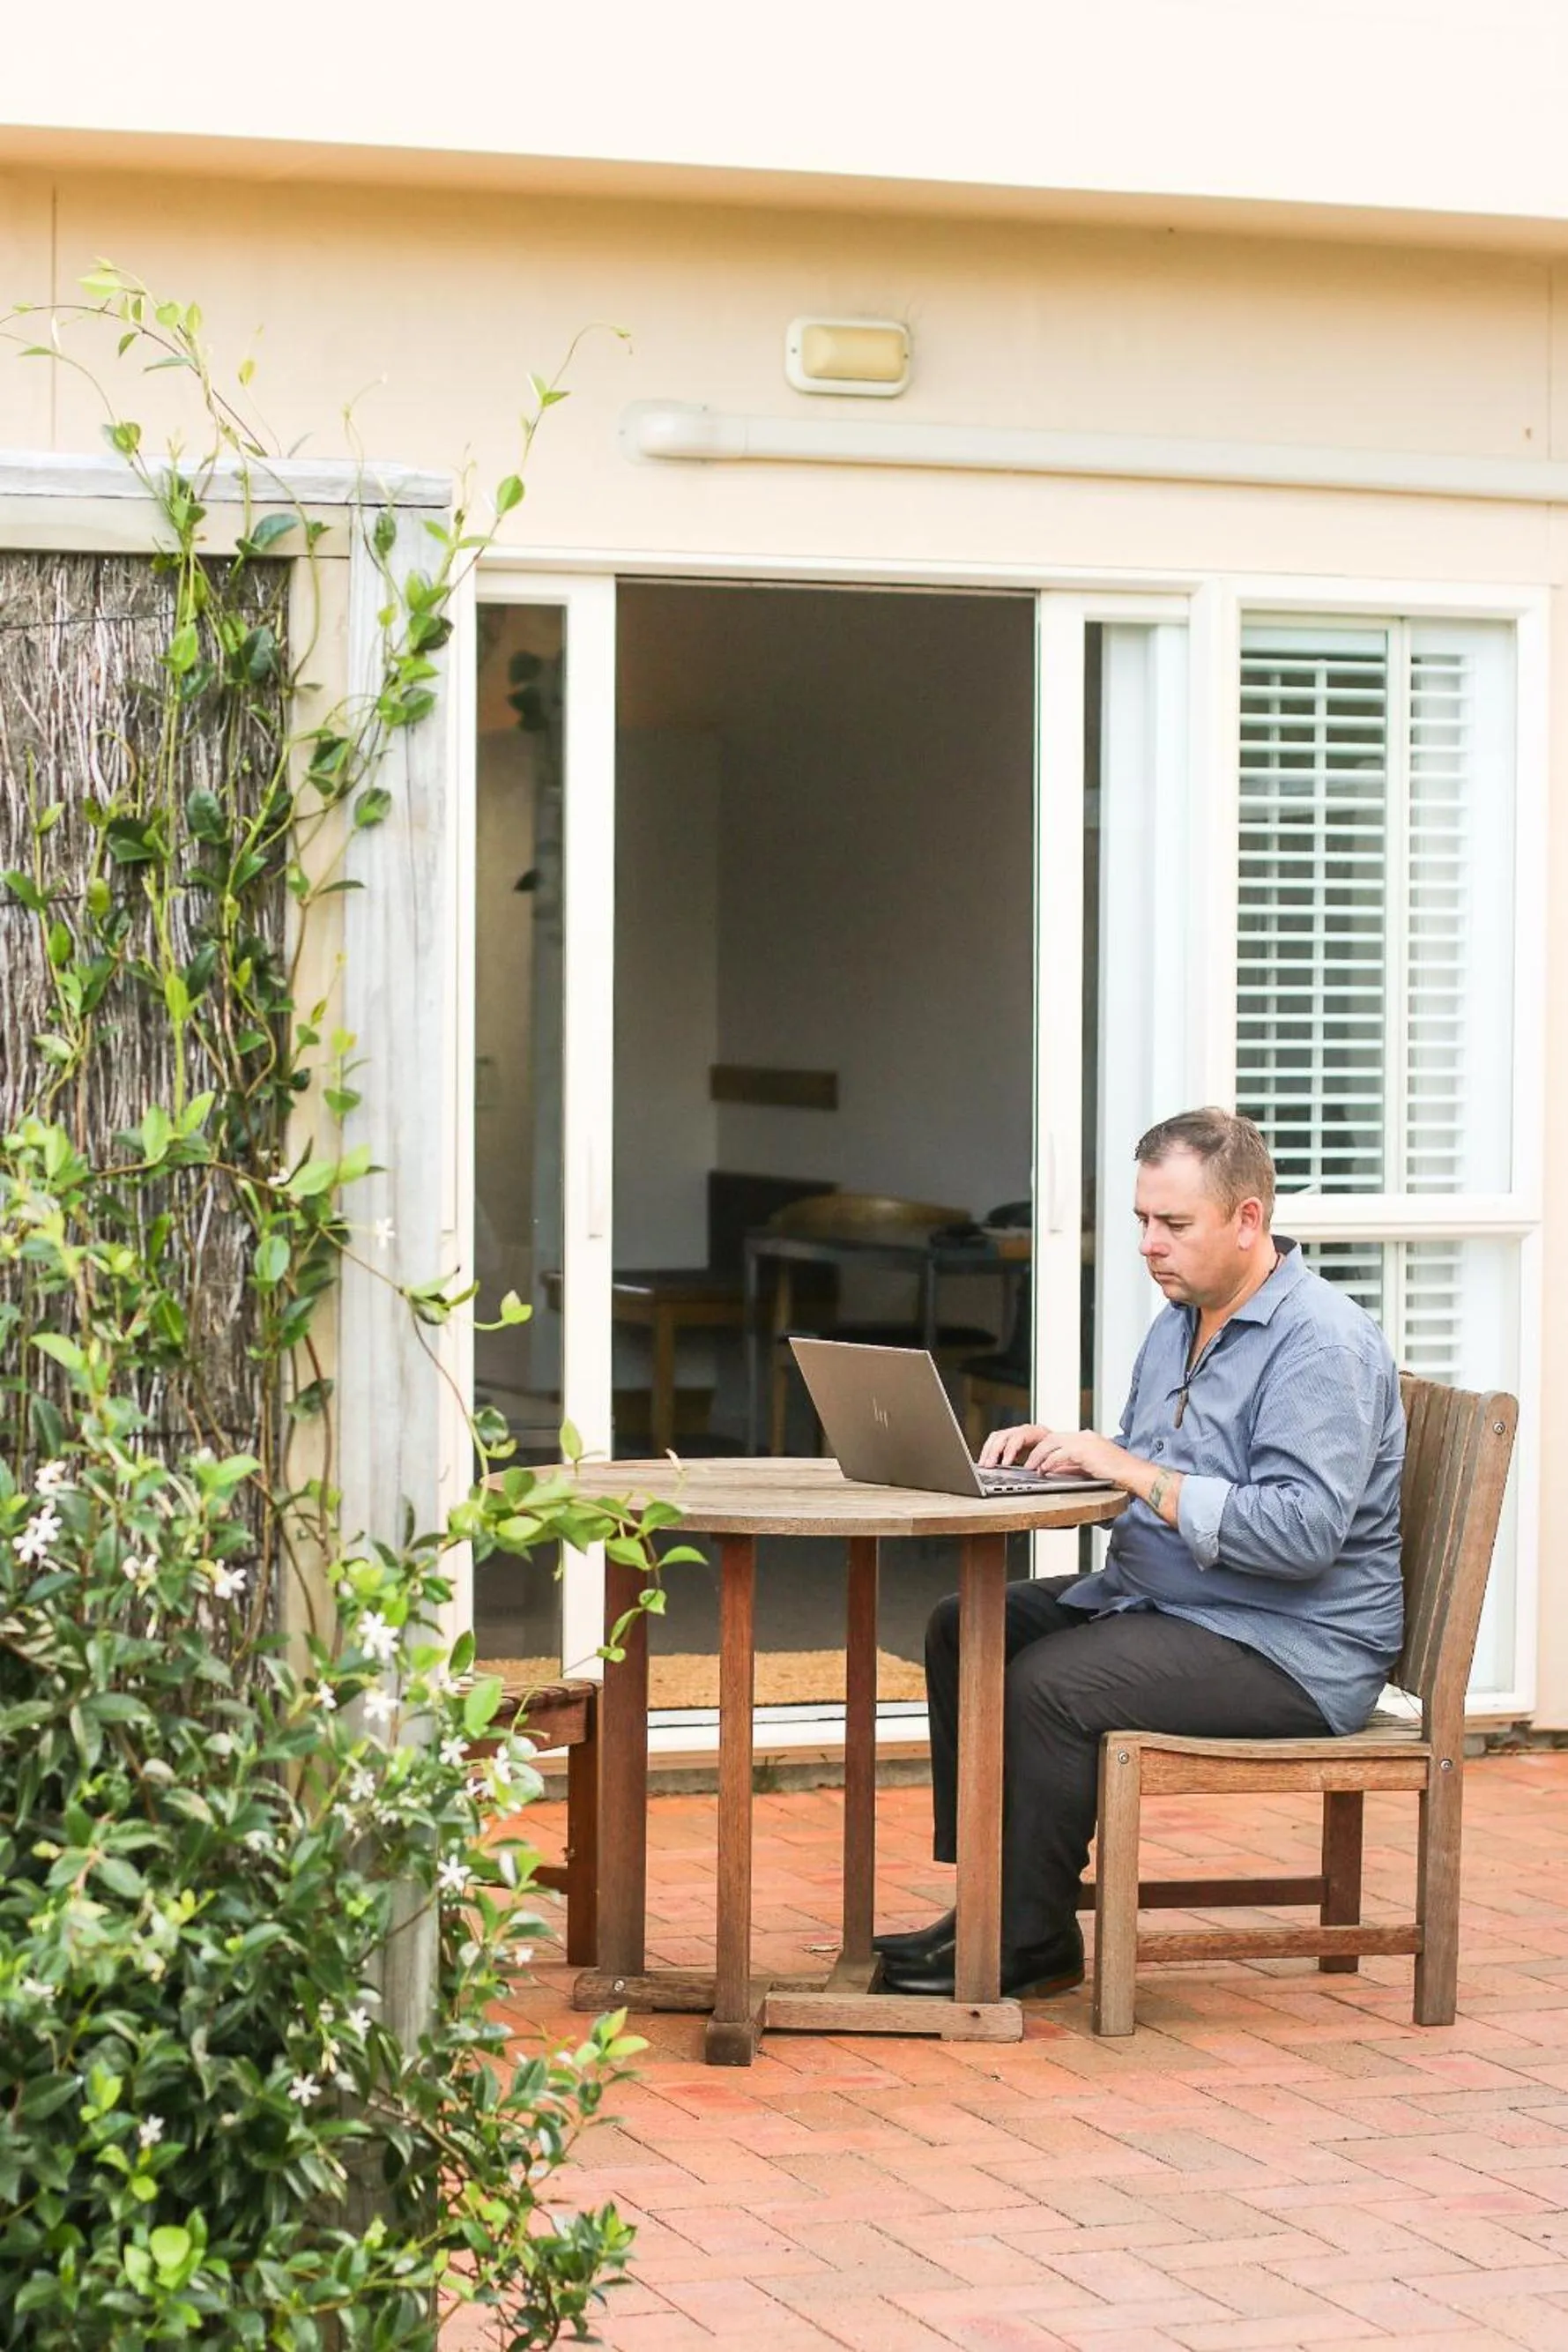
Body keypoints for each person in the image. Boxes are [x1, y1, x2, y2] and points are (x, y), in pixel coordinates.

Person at [878, 1106, 1405, 1999]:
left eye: (1173, 1224)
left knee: (1052, 1685)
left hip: (1289, 1643)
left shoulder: (1322, 1343)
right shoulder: (1182, 1317)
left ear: (1248, 1220)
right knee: (964, 1626)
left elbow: (1304, 1532)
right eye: (1141, 1221)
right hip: (1177, 1601)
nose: (1149, 1245)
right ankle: (993, 1902)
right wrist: (1064, 1461)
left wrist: (1123, 1464)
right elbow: (1158, 1470)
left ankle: (1029, 1940)